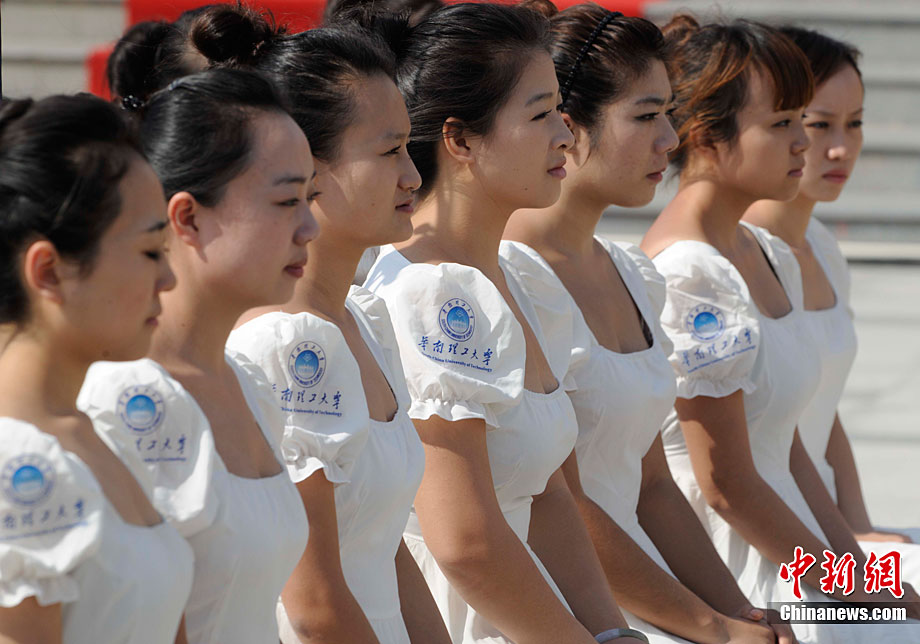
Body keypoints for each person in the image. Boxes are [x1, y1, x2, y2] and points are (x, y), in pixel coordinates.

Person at [502, 4, 794, 643]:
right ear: (567, 125)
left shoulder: (633, 272)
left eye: (669, 113)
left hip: (669, 592)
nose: (669, 139)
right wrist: (717, 625)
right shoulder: (510, 280)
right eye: (644, 116)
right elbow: (562, 503)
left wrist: (742, 615)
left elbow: (653, 486)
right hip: (566, 608)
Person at [362, 4, 646, 643]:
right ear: (460, 140)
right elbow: (465, 545)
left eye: (561, 111)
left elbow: (552, 495)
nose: (565, 135)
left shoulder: (518, 277)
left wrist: (611, 632)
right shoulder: (431, 292)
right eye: (540, 114)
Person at [640, 15, 919, 642]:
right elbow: (727, 486)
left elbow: (791, 448)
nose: (804, 145)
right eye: (783, 124)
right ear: (706, 137)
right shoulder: (691, 272)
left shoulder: (765, 252)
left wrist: (864, 574)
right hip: (741, 572)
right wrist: (856, 590)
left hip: (798, 552)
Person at [179, 5, 449, 642]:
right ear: (307, 164)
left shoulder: (358, 319)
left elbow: (383, 542)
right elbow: (314, 604)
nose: (413, 175)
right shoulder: (287, 341)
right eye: (388, 151)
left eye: (408, 148)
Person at [77, 68, 318, 644]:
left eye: (311, 198)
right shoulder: (123, 398)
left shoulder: (249, 382)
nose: (309, 227)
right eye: (287, 200)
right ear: (186, 217)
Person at [0, 94, 191, 642]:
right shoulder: (16, 464)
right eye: (150, 251)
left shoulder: (91, 430)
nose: (168, 279)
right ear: (49, 271)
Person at [742, 25, 920, 578]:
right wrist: (848, 557)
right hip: (771, 543)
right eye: (820, 124)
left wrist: (858, 525)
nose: (841, 147)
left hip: (827, 529)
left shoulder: (820, 243)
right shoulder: (740, 258)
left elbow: (822, 402)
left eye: (856, 123)